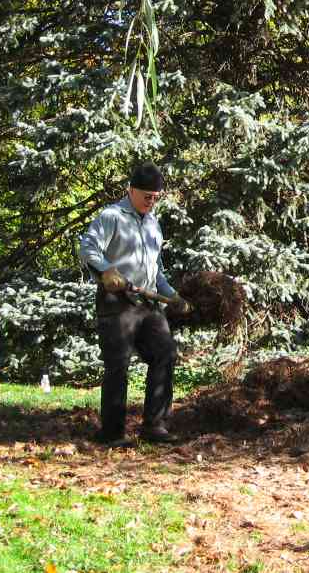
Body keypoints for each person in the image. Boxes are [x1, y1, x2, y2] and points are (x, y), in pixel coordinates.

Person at [78, 163, 191, 446]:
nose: (151, 201)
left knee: (165, 353)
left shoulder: (153, 223)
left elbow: (157, 269)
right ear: (130, 190)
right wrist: (106, 271)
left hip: (149, 304)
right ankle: (112, 433)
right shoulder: (111, 216)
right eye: (146, 195)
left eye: (155, 196)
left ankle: (155, 426)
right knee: (118, 365)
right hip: (117, 303)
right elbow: (88, 248)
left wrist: (172, 295)